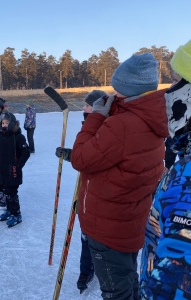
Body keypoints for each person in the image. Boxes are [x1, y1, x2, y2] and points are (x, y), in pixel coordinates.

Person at [70, 53, 169, 300]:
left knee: (117, 292)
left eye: (117, 87)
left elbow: (80, 158)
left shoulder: (122, 125)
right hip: (129, 222)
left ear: (126, 88)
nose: (113, 93)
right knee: (127, 281)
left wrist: (95, 117)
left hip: (107, 227)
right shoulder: (151, 117)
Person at [140, 40, 191, 299]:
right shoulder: (183, 162)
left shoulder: (187, 178)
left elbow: (175, 279)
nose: (169, 92)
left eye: (175, 81)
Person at [56, 90, 107, 293]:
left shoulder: (105, 127)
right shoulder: (88, 125)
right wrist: (72, 154)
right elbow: (85, 155)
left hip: (101, 190)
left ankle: (100, 269)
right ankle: (86, 270)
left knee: (98, 235)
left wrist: (74, 156)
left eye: (87, 105)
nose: (83, 108)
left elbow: (96, 157)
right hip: (87, 190)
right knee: (86, 234)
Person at [0, 111, 30, 227]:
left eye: (7, 122)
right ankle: (9, 210)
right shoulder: (0, 138)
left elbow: (25, 153)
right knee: (6, 191)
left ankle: (16, 214)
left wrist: (17, 165)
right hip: (3, 171)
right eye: (2, 123)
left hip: (13, 172)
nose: (4, 125)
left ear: (13, 123)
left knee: (12, 193)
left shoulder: (18, 137)